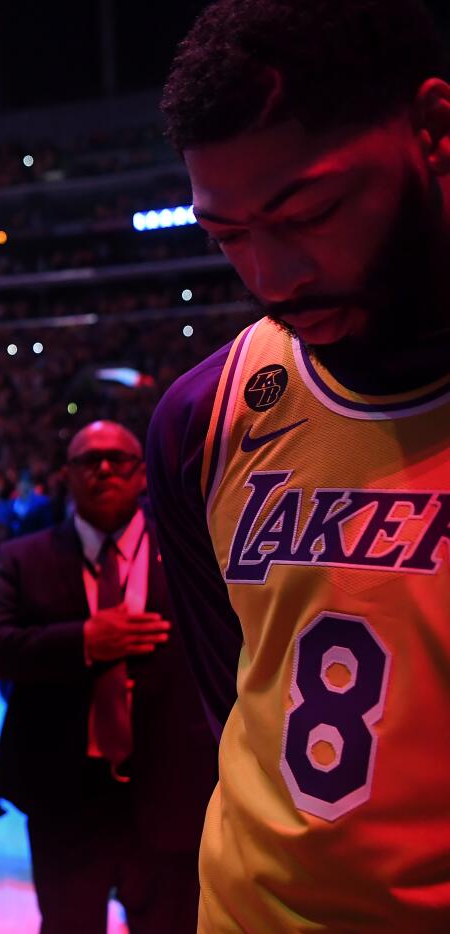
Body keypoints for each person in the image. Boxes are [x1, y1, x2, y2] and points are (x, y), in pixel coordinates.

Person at [147, 0, 450, 927]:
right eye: (227, 235)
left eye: (308, 212)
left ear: (433, 133)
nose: (272, 278)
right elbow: (234, 694)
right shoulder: (205, 415)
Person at [0, 421, 216, 933]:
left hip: (172, 788)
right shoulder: (22, 558)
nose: (105, 468)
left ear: (142, 476)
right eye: (89, 460)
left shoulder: (194, 555)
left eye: (119, 459)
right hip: (65, 794)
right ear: (67, 475)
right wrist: (84, 639)